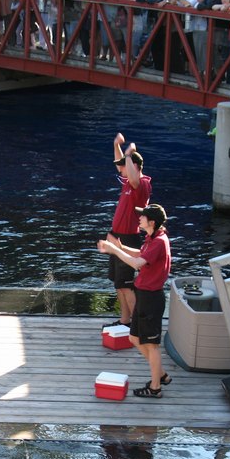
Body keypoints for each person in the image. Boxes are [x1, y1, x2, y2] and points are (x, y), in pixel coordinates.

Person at [97, 204, 172, 398]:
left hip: (151, 298)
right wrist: (121, 247)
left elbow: (137, 263)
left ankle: (155, 387)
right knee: (134, 338)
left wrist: (114, 249)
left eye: (143, 217)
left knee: (151, 344)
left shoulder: (159, 242)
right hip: (144, 296)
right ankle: (161, 374)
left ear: (152, 222)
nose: (139, 219)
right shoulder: (152, 238)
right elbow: (140, 254)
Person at [104, 132, 152, 328]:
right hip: (116, 236)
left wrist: (130, 153)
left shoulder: (141, 185)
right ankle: (125, 320)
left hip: (128, 239)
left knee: (125, 285)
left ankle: (137, 324)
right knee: (118, 283)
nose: (121, 169)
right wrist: (117, 146)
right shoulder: (126, 182)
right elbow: (119, 163)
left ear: (135, 167)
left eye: (126, 165)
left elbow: (133, 176)